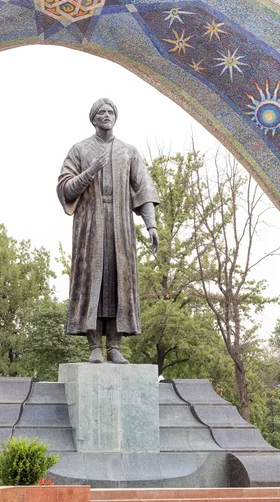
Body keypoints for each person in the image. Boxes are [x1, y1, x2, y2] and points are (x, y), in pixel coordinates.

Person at [57, 98, 160, 363]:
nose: (106, 115)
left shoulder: (129, 151)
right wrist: (90, 171)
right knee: (93, 281)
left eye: (110, 112)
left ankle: (114, 345)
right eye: (100, 112)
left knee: (118, 281)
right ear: (93, 119)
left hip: (121, 227)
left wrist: (151, 224)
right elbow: (65, 189)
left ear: (116, 116)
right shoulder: (79, 150)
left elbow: (144, 189)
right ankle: (94, 346)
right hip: (90, 226)